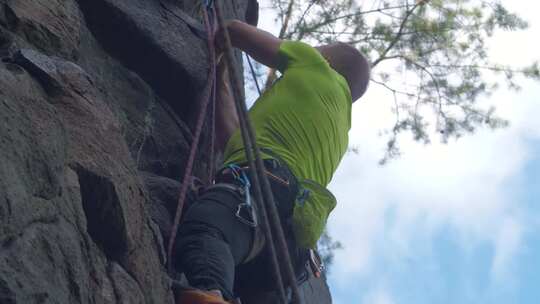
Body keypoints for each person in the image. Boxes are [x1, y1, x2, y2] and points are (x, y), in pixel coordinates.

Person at [174, 18, 370, 303]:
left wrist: (218, 47)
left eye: (320, 48)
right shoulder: (340, 127)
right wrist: (222, 78)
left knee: (207, 232)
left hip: (263, 184)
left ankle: (212, 294)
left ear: (326, 58)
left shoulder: (313, 63)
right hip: (291, 242)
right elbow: (233, 141)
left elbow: (234, 31)